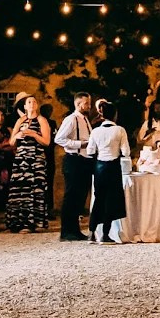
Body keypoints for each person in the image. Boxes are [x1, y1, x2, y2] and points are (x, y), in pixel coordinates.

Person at [87, 99, 133, 244]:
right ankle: (105, 234)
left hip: (99, 167)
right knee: (111, 200)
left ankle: (91, 232)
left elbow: (90, 151)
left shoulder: (95, 131)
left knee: (99, 199)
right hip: (113, 166)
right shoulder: (119, 130)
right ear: (115, 115)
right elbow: (126, 152)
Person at [5, 92, 52, 233]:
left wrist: (33, 134)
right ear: (25, 106)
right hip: (21, 159)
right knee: (20, 190)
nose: (32, 104)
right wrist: (18, 135)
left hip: (35, 159)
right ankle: (17, 222)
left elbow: (47, 141)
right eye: (29, 102)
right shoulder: (20, 121)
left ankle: (32, 223)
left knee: (34, 190)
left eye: (34, 102)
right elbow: (11, 141)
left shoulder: (42, 120)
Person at [54, 91, 97, 241]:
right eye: (86, 103)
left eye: (89, 103)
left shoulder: (85, 119)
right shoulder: (71, 119)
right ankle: (66, 231)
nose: (89, 106)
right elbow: (59, 138)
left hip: (85, 161)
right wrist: (80, 144)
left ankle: (75, 230)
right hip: (74, 160)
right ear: (78, 104)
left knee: (80, 197)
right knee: (71, 196)